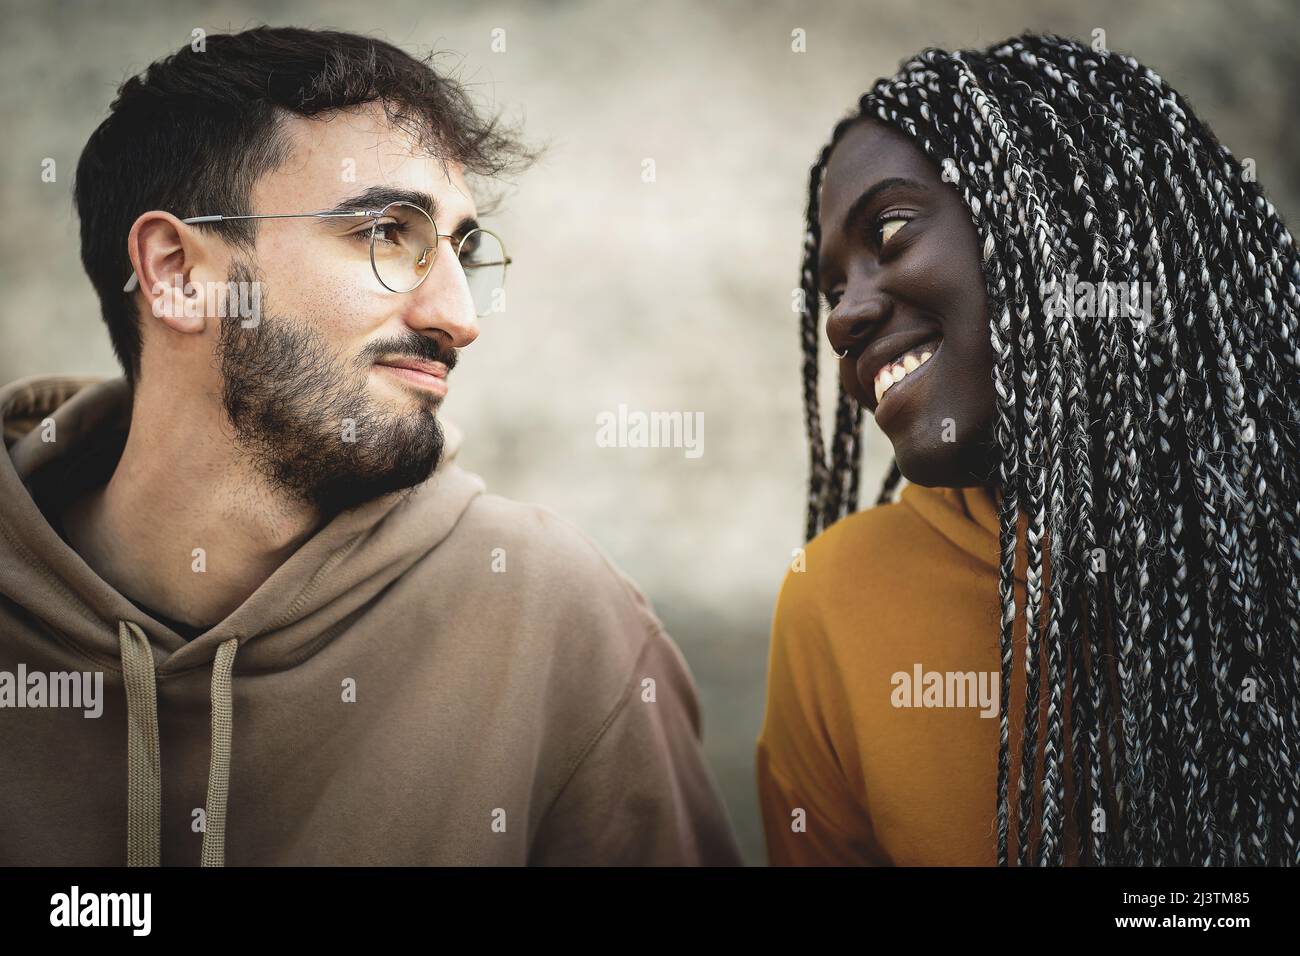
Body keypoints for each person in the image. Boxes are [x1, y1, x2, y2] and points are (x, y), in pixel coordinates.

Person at [0, 26, 741, 866]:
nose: (458, 319)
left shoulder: (554, 617)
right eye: (389, 233)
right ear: (175, 272)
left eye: (462, 251)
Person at [758, 32, 1300, 866]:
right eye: (831, 289)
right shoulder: (834, 603)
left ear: (1061, 225)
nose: (841, 317)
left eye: (892, 231)